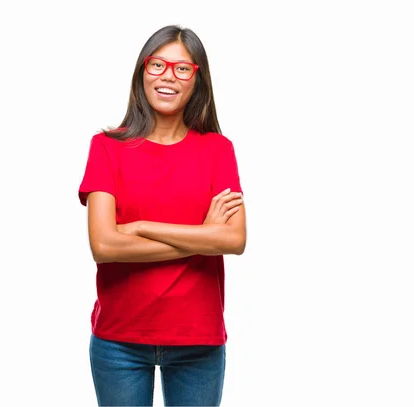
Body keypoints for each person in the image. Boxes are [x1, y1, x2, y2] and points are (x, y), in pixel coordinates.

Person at [77, 24, 246, 406]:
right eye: (158, 65)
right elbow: (104, 245)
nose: (168, 76)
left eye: (182, 69)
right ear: (142, 72)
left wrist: (140, 228)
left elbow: (233, 240)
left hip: (197, 339)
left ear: (196, 80)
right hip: (119, 341)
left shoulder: (218, 150)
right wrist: (202, 236)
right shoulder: (106, 148)